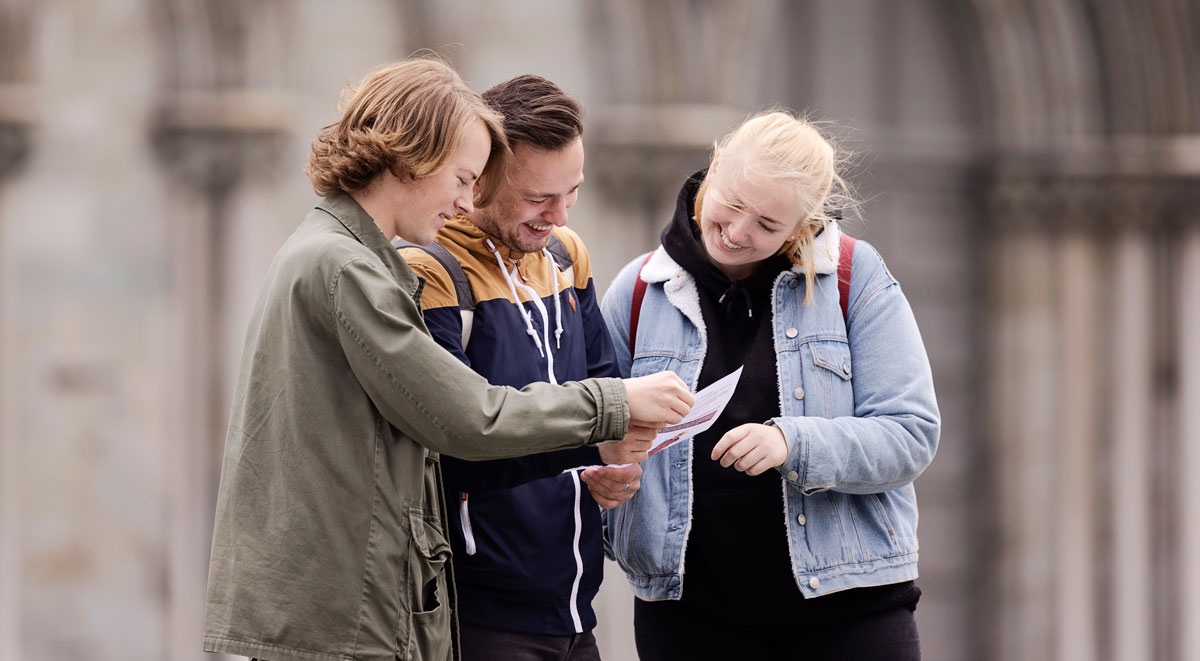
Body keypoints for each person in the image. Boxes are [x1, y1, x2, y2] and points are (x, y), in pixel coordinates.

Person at [202, 56, 693, 661]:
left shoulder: (336, 251)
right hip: (340, 618)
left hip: (342, 610)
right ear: (414, 159)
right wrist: (614, 405)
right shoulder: (347, 266)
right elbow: (465, 418)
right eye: (463, 178)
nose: (464, 201)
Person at [600, 111, 940, 660]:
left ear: (803, 224)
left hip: (849, 608)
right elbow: (589, 430)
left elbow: (912, 434)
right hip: (689, 617)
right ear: (713, 168)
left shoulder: (856, 276)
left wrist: (791, 443)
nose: (737, 233)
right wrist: (604, 474)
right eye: (731, 204)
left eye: (766, 224)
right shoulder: (637, 291)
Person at [398, 75, 642, 661]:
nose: (558, 216)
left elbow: (605, 394)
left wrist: (617, 465)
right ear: (477, 180)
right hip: (480, 611)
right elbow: (452, 447)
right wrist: (591, 439)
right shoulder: (428, 268)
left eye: (572, 192)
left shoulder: (565, 254)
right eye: (539, 198)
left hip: (576, 600)